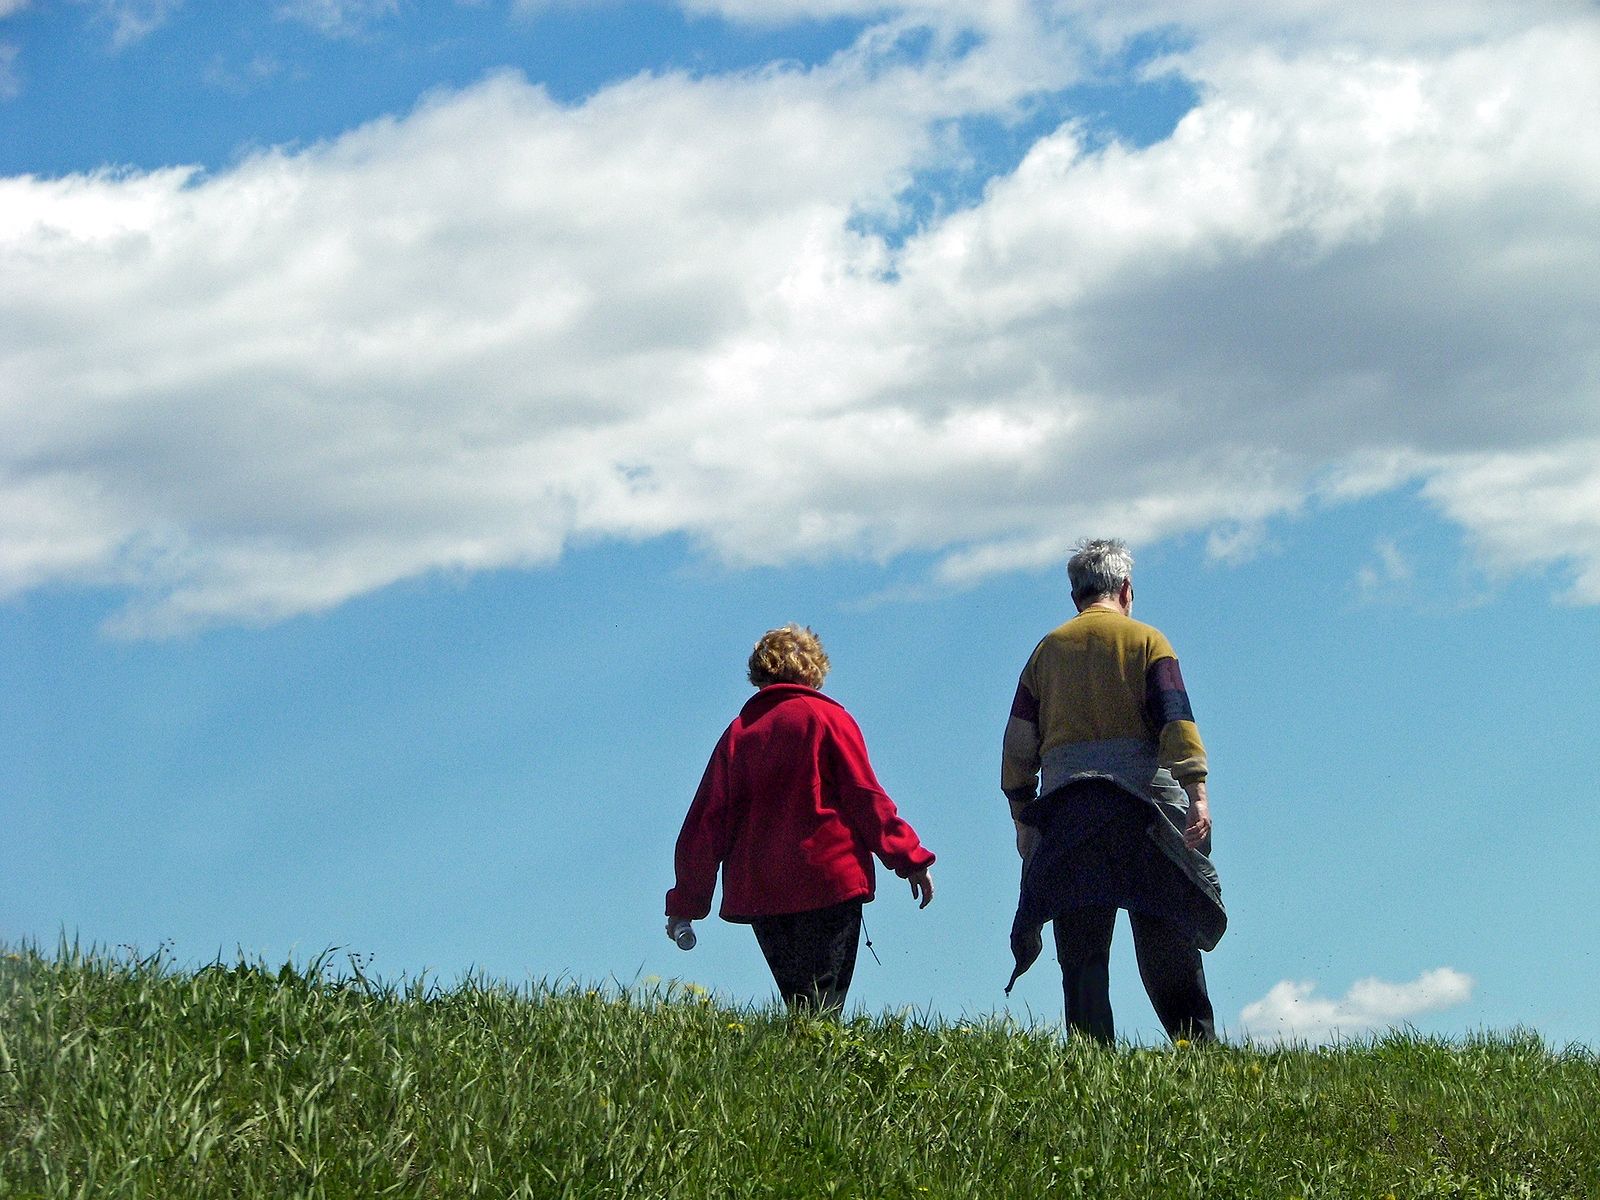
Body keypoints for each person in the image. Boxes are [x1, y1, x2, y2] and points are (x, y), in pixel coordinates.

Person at [1001, 539, 1225, 1044]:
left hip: (1069, 811)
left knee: (1080, 945)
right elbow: (1175, 722)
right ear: (1126, 589)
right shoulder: (1147, 642)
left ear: (1074, 595)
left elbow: (1019, 744)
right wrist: (1198, 793)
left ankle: (1090, 1061)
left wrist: (1021, 812)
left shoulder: (1047, 651)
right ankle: (1198, 1054)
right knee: (1167, 931)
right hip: (1144, 809)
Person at [665, 624, 935, 1013]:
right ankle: (817, 1067)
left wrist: (686, 901)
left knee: (801, 1000)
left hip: (763, 889)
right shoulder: (829, 719)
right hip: (829, 880)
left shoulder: (738, 734)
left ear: (760, 672)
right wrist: (909, 858)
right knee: (823, 1002)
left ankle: (804, 1067)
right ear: (813, 669)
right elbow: (866, 798)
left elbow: (707, 822)